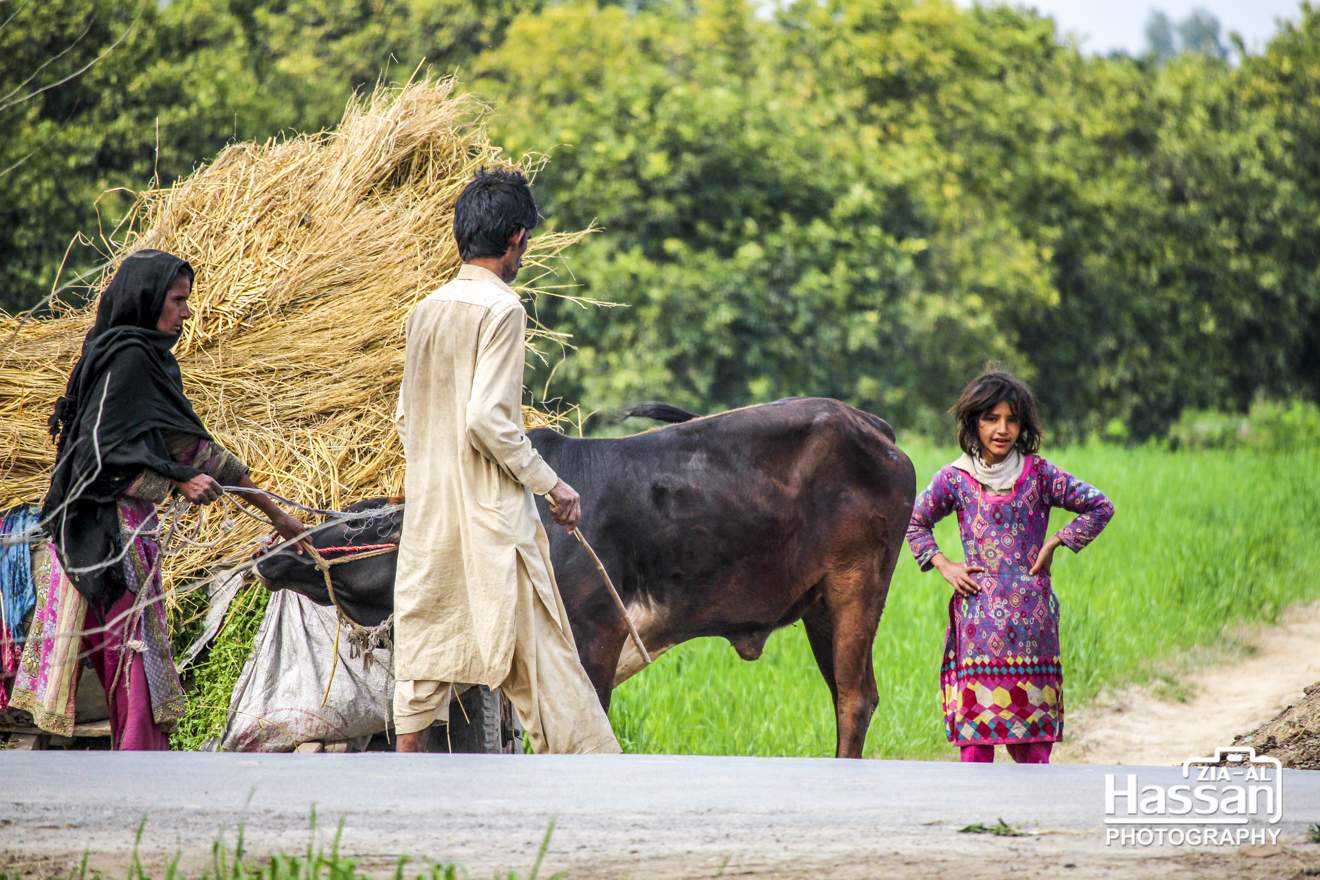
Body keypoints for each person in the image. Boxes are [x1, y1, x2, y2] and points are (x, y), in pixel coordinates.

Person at [11, 249, 308, 749]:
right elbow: (95, 454)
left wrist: (274, 512)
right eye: (177, 301)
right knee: (134, 661)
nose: (186, 313)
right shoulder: (128, 360)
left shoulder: (140, 359)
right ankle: (141, 770)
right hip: (107, 539)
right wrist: (178, 479)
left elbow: (191, 448)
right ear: (148, 300)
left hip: (127, 537)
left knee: (125, 658)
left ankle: (137, 762)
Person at [391, 169, 619, 754]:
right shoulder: (503, 309)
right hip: (493, 525)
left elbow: (405, 420)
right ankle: (594, 787)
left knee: (420, 666)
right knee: (546, 670)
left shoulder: (426, 310)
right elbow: (488, 420)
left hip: (430, 519)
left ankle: (397, 791)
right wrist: (552, 485)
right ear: (516, 239)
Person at [905, 369, 1113, 764]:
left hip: (1032, 627)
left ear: (1023, 425)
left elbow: (1100, 505)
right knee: (976, 750)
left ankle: (1029, 822)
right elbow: (914, 521)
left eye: (1012, 419)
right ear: (974, 422)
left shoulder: (1040, 475)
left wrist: (1056, 542)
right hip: (977, 625)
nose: (1002, 429)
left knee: (1033, 752)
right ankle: (978, 826)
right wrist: (944, 565)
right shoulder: (955, 479)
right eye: (991, 418)